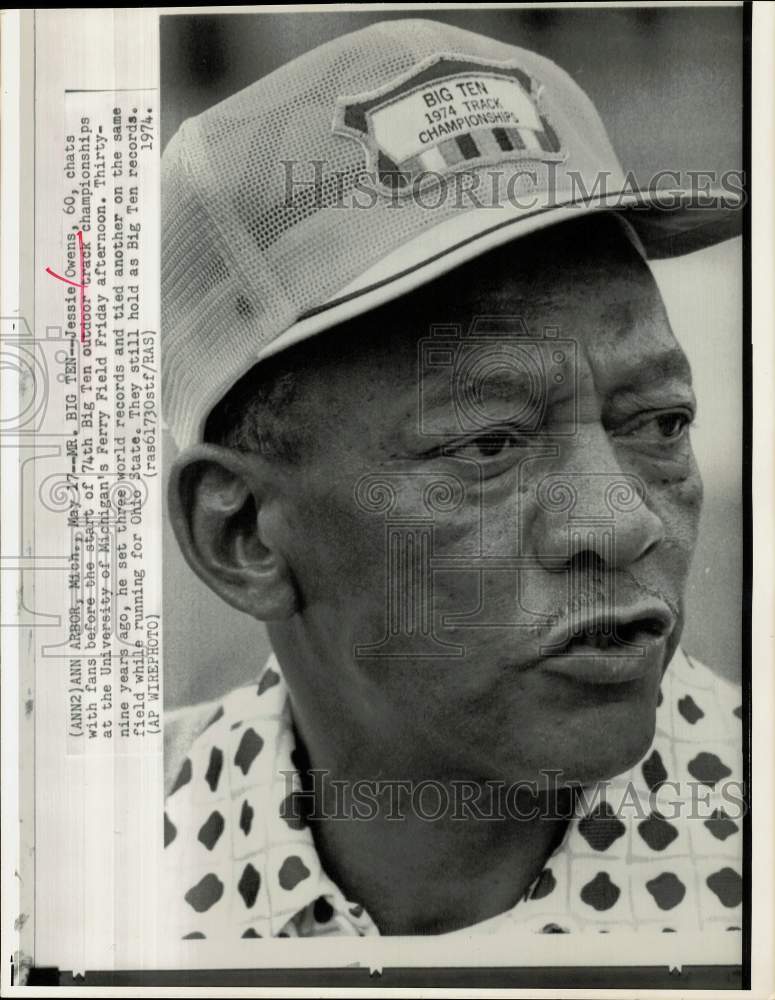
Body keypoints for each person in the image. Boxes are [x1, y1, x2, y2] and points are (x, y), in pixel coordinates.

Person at [161, 18, 743, 941]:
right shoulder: (82, 885)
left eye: (658, 423)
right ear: (243, 535)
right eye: (489, 444)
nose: (624, 523)